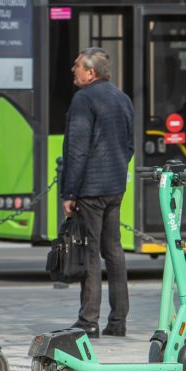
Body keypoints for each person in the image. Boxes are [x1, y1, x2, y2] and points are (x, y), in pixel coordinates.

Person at [61, 47, 134, 338]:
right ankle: (118, 321)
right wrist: (115, 171)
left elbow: (77, 151)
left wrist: (70, 192)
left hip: (90, 189)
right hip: (115, 187)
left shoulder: (83, 99)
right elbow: (129, 146)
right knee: (114, 251)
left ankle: (88, 321)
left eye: (77, 66)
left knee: (90, 252)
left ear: (91, 73)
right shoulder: (122, 97)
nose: (73, 70)